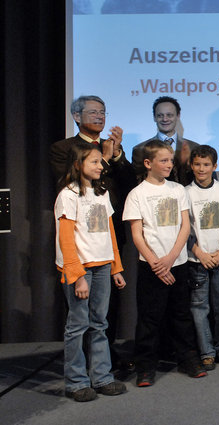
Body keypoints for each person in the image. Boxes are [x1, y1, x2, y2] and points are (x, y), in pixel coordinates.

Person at [50, 95, 135, 369]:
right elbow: (67, 182)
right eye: (94, 112)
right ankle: (81, 366)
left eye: (103, 112)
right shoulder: (63, 148)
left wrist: (117, 154)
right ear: (76, 116)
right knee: (80, 311)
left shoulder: (111, 147)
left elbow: (129, 183)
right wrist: (106, 159)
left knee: (107, 307)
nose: (100, 116)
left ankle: (105, 360)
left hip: (108, 235)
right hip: (80, 241)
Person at [122, 140, 206, 387]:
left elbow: (185, 227)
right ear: (148, 163)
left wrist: (171, 259)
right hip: (152, 267)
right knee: (150, 318)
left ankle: (188, 359)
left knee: (181, 314)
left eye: (171, 160)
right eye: (164, 160)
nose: (169, 164)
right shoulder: (137, 194)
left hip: (177, 263)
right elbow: (137, 235)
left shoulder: (177, 190)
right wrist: (156, 263)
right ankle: (146, 366)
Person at [55, 143, 127, 402]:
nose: (100, 166)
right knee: (77, 325)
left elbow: (109, 232)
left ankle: (102, 377)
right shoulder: (68, 195)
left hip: (103, 265)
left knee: (100, 323)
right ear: (78, 165)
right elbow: (65, 240)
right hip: (80, 268)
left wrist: (116, 267)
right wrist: (77, 276)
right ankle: (76, 381)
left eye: (100, 162)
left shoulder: (102, 192)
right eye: (94, 162)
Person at [184, 145, 219, 370]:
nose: (201, 169)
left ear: (215, 166)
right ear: (191, 165)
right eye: (197, 164)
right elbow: (184, 229)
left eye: (206, 165)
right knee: (199, 308)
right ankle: (206, 351)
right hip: (197, 260)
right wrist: (199, 253)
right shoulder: (185, 192)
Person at [132, 96, 199, 185]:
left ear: (178, 116)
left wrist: (186, 164)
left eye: (169, 115)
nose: (165, 119)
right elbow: (137, 182)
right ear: (154, 117)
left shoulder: (194, 147)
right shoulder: (140, 149)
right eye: (160, 115)